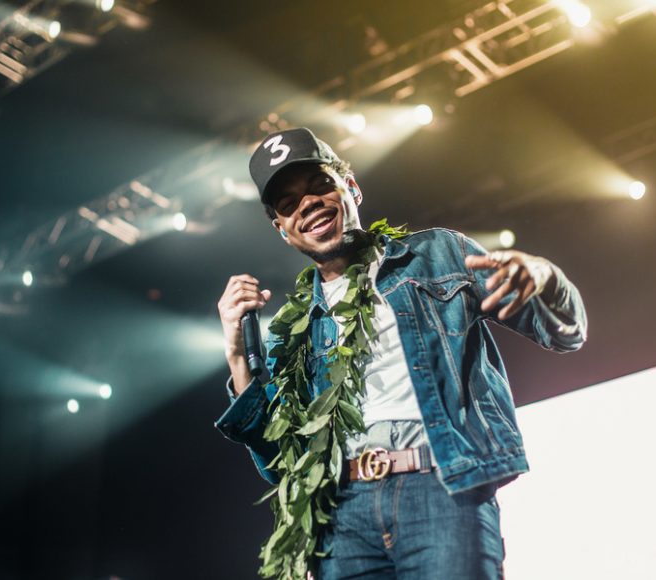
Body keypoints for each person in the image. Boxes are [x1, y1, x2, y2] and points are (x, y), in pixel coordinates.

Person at [215, 127, 587, 579]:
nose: (307, 204)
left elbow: (565, 335)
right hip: (340, 520)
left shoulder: (437, 254)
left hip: (440, 490)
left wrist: (545, 277)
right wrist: (238, 355)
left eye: (319, 186)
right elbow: (282, 463)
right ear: (282, 230)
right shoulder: (293, 331)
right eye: (288, 204)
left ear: (351, 187)